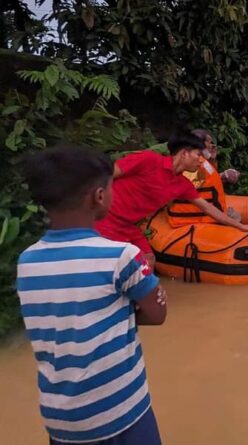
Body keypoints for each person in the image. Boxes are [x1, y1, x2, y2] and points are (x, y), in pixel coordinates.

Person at [18, 147, 167, 444]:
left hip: (61, 420)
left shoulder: (27, 261)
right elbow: (157, 313)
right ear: (99, 196)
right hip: (124, 411)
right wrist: (138, 300)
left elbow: (59, 318)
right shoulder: (122, 256)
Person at [95, 131, 248, 267]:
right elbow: (105, 174)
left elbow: (208, 208)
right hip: (105, 219)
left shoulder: (183, 184)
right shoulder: (149, 160)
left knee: (149, 259)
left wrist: (240, 226)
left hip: (128, 226)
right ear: (184, 153)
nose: (201, 161)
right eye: (198, 154)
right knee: (114, 266)